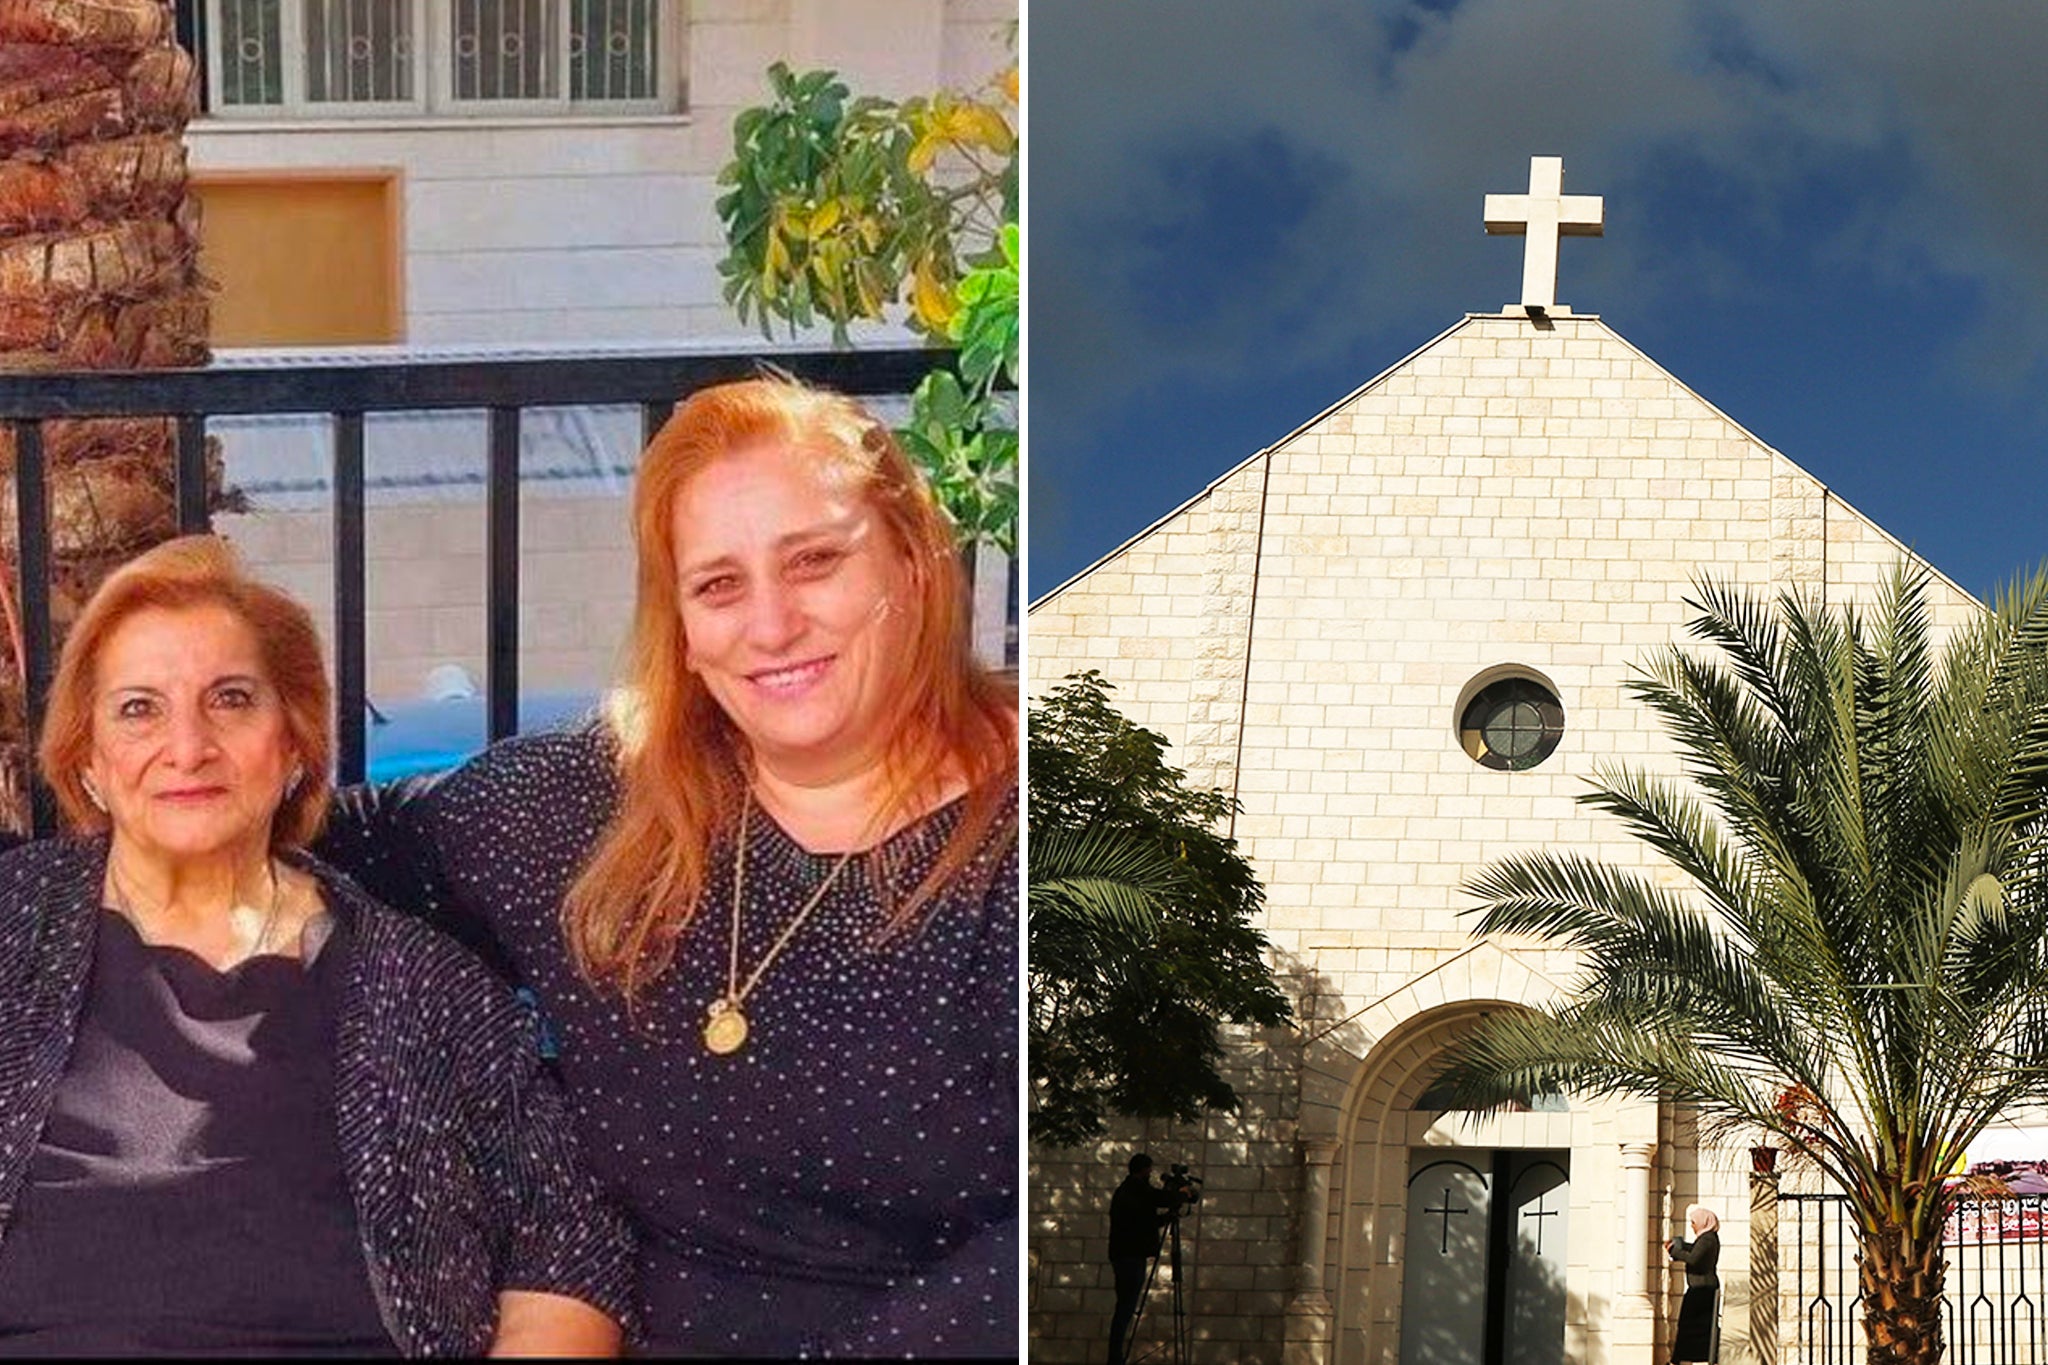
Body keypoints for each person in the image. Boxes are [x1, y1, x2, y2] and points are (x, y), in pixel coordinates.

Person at [319, 374, 1019, 1356]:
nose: (770, 626)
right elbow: (323, 836)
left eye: (813, 562)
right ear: (683, 633)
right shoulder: (590, 809)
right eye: (719, 585)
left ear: (910, 567)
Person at [0, 536, 632, 1356]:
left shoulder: (423, 985)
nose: (187, 746)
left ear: (295, 744)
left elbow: (570, 1236)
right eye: (138, 708)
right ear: (87, 761)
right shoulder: (16, 924)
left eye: (230, 699)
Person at [1107, 1153, 1179, 1365]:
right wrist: (1180, 1194)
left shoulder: (1127, 1191)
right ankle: (1115, 1358)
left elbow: (1145, 1221)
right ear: (1143, 1169)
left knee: (1124, 1307)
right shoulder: (1135, 1189)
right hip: (1130, 1257)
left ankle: (1115, 1356)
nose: (1150, 1174)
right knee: (1126, 1307)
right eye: (1149, 1170)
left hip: (1124, 1256)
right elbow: (1158, 1199)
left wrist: (1166, 1217)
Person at [1666, 1202, 1721, 1364]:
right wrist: (1679, 1247)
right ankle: (1682, 1359)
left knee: (1690, 1327)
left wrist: (1673, 1251)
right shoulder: (1707, 1239)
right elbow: (1694, 1250)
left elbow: (1694, 1258)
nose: (1692, 1226)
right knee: (1691, 1327)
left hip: (1702, 1290)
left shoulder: (1707, 1239)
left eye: (1694, 1223)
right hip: (1701, 1290)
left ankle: (1680, 1360)